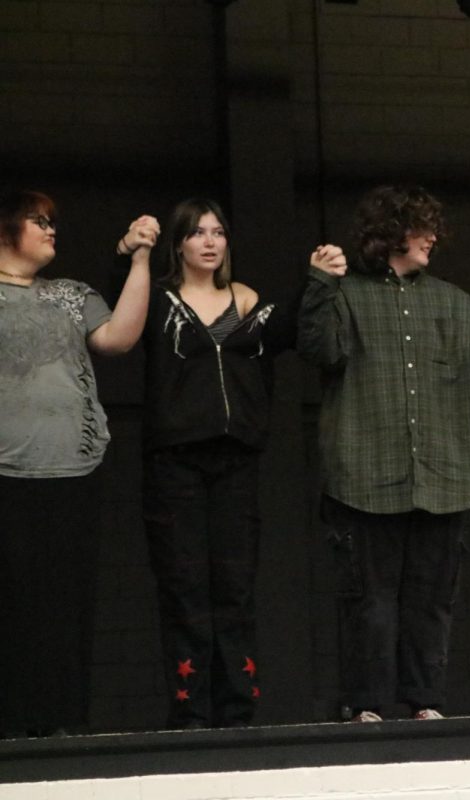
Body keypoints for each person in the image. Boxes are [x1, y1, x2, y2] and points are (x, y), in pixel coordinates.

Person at [298, 185, 470, 722]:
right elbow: (320, 350)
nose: (433, 238)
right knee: (369, 601)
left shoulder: (451, 300)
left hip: (441, 476)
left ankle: (424, 702)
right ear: (390, 234)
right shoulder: (346, 294)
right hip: (365, 475)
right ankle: (363, 705)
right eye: (421, 228)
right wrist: (319, 283)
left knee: (431, 601)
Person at [135, 198, 298, 729]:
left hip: (235, 458)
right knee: (184, 584)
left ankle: (237, 708)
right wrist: (132, 252)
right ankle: (189, 712)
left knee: (235, 585)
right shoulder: (160, 299)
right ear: (179, 243)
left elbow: (286, 336)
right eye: (198, 233)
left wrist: (320, 279)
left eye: (219, 232)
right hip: (177, 459)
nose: (210, 241)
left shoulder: (245, 299)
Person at [0, 190, 157, 736]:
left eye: (52, 221)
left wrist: (139, 259)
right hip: (6, 474)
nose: (50, 230)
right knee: (12, 607)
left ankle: (63, 727)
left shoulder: (70, 294)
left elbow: (119, 336)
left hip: (71, 469)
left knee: (65, 607)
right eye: (36, 220)